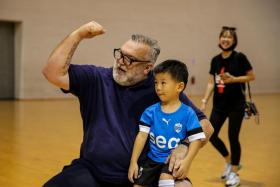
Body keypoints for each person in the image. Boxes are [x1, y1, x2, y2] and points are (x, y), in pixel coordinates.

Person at [42, 20, 214, 187]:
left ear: (148, 68)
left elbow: (206, 126)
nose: (121, 61)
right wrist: (78, 35)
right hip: (92, 172)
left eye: (130, 59)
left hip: (144, 173)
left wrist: (183, 147)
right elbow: (52, 72)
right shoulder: (96, 79)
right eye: (120, 54)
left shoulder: (160, 88)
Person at [128, 60, 206, 187]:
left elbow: (196, 140)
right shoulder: (150, 112)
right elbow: (141, 136)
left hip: (171, 162)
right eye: (156, 83)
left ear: (179, 87)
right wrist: (133, 162)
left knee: (166, 178)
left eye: (163, 83)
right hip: (151, 162)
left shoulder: (188, 113)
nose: (158, 88)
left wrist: (187, 161)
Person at [200, 26, 255, 187]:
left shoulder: (240, 58)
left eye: (229, 37)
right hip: (219, 105)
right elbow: (211, 82)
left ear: (234, 40)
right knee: (211, 135)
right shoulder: (215, 60)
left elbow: (251, 76)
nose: (226, 39)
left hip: (236, 105)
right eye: (223, 36)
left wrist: (234, 79)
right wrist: (204, 101)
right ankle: (229, 161)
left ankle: (235, 173)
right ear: (219, 39)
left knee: (233, 137)